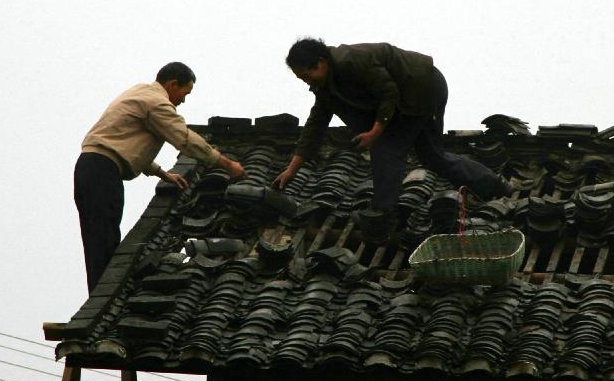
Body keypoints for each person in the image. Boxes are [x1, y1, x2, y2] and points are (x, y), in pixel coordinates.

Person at [275, 38, 511, 242]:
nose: (306, 81)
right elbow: (315, 125)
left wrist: (374, 132)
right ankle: (495, 187)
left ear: (321, 62)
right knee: (433, 157)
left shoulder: (351, 61)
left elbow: (388, 91)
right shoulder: (325, 86)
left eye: (306, 75)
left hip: (422, 88)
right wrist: (291, 170)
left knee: (387, 149)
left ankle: (382, 215)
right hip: (408, 100)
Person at [75, 62, 245, 292]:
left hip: (92, 167)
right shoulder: (156, 103)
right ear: (173, 84)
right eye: (185, 93)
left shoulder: (139, 92)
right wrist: (226, 164)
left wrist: (161, 173)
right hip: (102, 171)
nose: (183, 101)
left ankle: (100, 293)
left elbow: (125, 143)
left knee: (98, 236)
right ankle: (103, 294)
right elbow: (184, 138)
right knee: (103, 237)